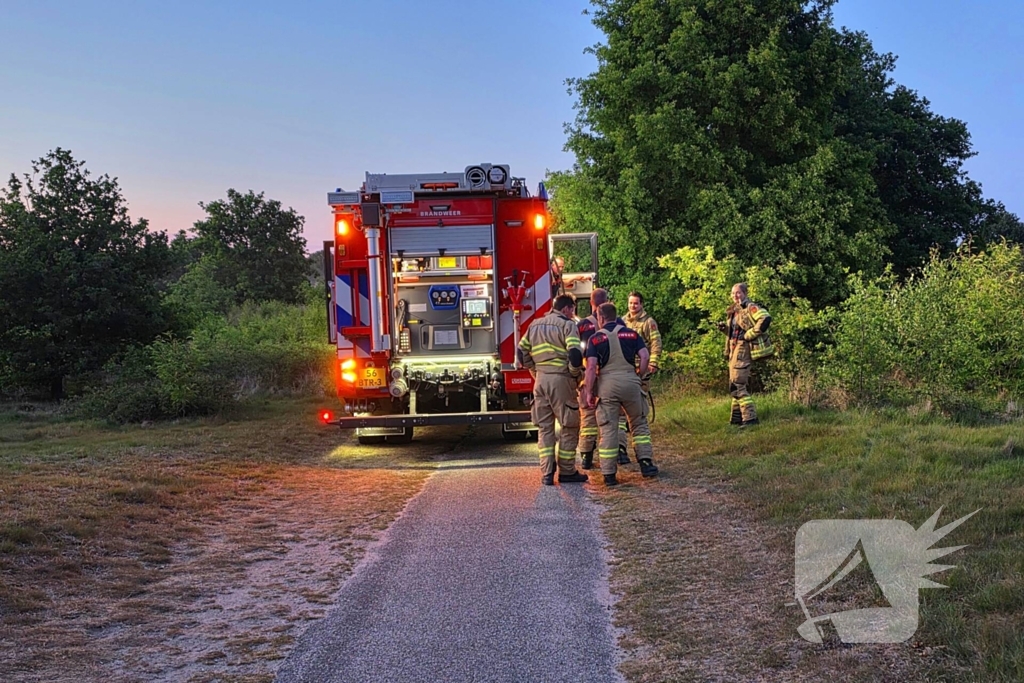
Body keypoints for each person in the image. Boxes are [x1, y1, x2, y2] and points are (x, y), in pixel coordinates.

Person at [581, 302, 659, 485]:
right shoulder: (632, 333)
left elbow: (591, 367)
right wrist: (639, 374)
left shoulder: (595, 338)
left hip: (607, 385)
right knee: (639, 423)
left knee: (608, 428)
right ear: (616, 316)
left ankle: (609, 475)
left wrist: (589, 392)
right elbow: (645, 356)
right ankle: (646, 464)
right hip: (631, 382)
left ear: (600, 317)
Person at [518, 294, 589, 485]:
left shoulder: (534, 324)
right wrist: (574, 373)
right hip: (561, 380)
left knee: (545, 428)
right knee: (569, 425)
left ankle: (547, 474)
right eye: (572, 309)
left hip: (540, 381)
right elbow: (575, 354)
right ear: (567, 309)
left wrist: (534, 369)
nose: (573, 313)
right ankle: (566, 471)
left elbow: (520, 350)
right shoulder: (568, 325)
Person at [718, 282, 773, 427]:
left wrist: (751, 334)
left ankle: (750, 419)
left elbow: (766, 318)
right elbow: (735, 331)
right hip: (733, 348)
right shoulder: (734, 310)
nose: (735, 296)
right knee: (733, 384)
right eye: (733, 293)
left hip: (743, 349)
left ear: (744, 293)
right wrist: (724, 329)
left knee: (737, 384)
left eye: (738, 293)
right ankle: (736, 419)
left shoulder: (750, 307)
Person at [620, 291, 663, 462]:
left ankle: (640, 440)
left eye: (636, 303)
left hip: (641, 369)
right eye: (630, 303)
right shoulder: (622, 321)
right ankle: (622, 444)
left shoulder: (648, 322)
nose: (632, 306)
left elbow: (656, 343)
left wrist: (652, 364)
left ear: (641, 304)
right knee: (622, 411)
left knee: (638, 407)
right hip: (625, 369)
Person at [576, 287, 609, 470]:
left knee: (588, 416)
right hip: (609, 377)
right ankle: (618, 453)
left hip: (587, 375)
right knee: (612, 417)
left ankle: (587, 456)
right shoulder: (619, 323)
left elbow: (574, 353)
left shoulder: (581, 325)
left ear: (591, 302)